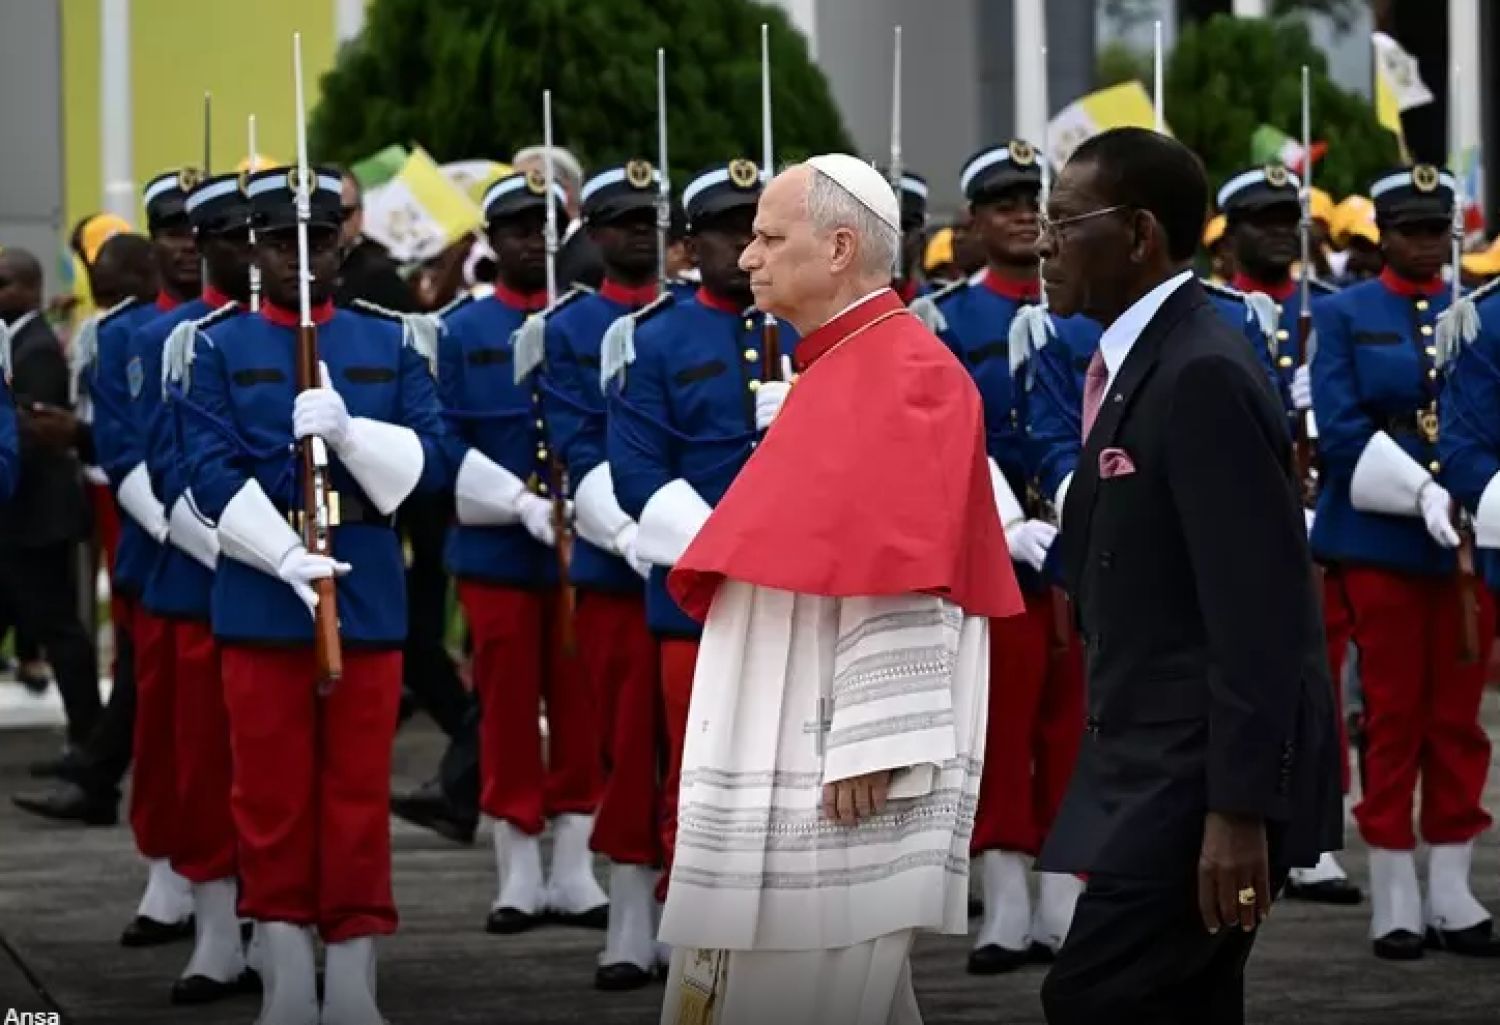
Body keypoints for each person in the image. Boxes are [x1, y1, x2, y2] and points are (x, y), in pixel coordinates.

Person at [657, 154, 1022, 1025]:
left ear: (840, 248)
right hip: (795, 730)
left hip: (837, 750)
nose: (748, 256)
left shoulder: (906, 372)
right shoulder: (846, 362)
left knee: (810, 984)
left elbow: (906, 565)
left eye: (770, 236)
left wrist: (873, 736)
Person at [1033, 127, 1341, 1025]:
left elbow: (1261, 613)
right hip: (1153, 765)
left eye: (1063, 222)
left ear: (1138, 235)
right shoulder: (1149, 359)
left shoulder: (1199, 368)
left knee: (1091, 995)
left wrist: (1239, 812)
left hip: (1198, 783)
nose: (1044, 244)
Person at [180, 164, 449, 1025]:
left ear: (344, 241)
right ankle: (287, 971)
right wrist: (285, 554)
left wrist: (352, 431)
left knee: (357, 793)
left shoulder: (390, 340)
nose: (304, 257)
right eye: (282, 241)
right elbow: (207, 472)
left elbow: (431, 463)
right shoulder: (216, 344)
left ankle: (356, 972)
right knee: (269, 794)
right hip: (264, 597)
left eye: (321, 239)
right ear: (255, 248)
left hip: (365, 592)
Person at [917, 140, 1098, 973]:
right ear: (975, 222)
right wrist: (1003, 521)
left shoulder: (1087, 309)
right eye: (1005, 204)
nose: (1025, 214)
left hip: (1084, 543)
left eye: (1037, 200)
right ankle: (1006, 897)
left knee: (1077, 721)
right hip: (989, 546)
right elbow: (937, 436)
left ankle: (1065, 893)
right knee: (996, 723)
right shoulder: (946, 319)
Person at [1310, 164, 1500, 960]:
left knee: (1457, 717)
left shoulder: (1482, 312)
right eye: (1412, 229)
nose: (1428, 244)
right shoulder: (1347, 312)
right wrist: (1420, 490)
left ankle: (1452, 886)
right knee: (1391, 713)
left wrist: (1473, 492)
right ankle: (1394, 886)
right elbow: (1342, 425)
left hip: (1467, 538)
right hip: (1383, 536)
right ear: (1381, 234)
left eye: (1439, 230)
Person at [602, 158, 783, 990]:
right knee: (699, 771)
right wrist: (729, 546)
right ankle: (696, 933)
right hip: (698, 594)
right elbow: (638, 472)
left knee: (790, 773)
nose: (747, 248)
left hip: (800, 595)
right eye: (729, 231)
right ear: (690, 245)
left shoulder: (817, 333)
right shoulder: (657, 337)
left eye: (764, 230)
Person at [436, 169, 601, 935]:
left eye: (547, 228)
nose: (535, 241)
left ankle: (573, 867)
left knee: (579, 702)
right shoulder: (460, 330)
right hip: (498, 549)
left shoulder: (589, 321)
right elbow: (442, 444)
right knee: (504, 707)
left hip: (584, 548)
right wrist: (514, 503)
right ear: (491, 242)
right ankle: (517, 871)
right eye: (518, 230)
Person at [128, 170, 257, 1003]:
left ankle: (282, 924)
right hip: (198, 581)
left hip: (288, 589)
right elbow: (150, 468)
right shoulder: (148, 339)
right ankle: (213, 927)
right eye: (173, 230)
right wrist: (243, 546)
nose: (189, 245)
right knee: (202, 764)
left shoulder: (292, 336)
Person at [536, 160, 672, 935]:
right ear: (593, 233)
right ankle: (627, 902)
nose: (639, 233)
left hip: (692, 565)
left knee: (693, 742)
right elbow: (578, 448)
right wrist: (626, 535)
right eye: (622, 220)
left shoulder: (690, 317)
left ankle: (681, 901)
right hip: (616, 565)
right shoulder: (568, 327)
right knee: (622, 738)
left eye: (650, 218)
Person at [1218, 166, 1359, 907]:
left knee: (1319, 681)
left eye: (1288, 217)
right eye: (1262, 218)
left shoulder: (1325, 309)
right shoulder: (1217, 313)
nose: (1279, 230)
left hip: (1319, 518)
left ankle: (1315, 834)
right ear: (1230, 231)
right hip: (1242, 525)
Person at [12, 233, 157, 828]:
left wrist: (76, 435)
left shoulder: (140, 333)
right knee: (130, 642)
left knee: (131, 642)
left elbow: (133, 430)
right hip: (111, 492)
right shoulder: (109, 329)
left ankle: (95, 769)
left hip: (130, 498)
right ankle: (93, 763)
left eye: (106, 265)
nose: (94, 275)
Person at [94, 170, 202, 947]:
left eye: (204, 233)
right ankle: (167, 872)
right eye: (174, 231)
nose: (190, 246)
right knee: (163, 725)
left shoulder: (242, 325)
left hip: (249, 563)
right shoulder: (127, 334)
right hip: (165, 561)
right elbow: (121, 449)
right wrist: (181, 530)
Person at [0, 247, 96, 746]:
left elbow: (32, 431)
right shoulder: (16, 342)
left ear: (29, 288)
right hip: (21, 515)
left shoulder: (35, 348)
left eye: (3, 284)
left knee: (61, 630)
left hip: (39, 515)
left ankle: (88, 738)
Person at [513, 144, 601, 291]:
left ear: (564, 192)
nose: (518, 198)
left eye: (531, 186)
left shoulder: (591, 258)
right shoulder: (550, 250)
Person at [334, 167, 414, 313]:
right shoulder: (289, 268)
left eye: (342, 213)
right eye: (319, 211)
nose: (332, 222)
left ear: (360, 216)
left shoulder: (379, 276)